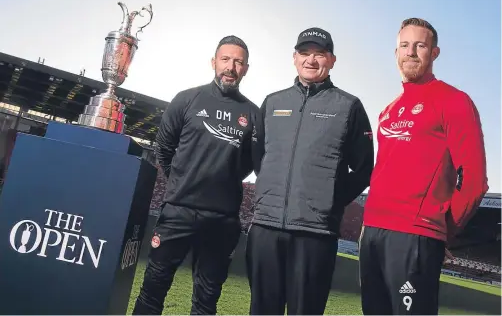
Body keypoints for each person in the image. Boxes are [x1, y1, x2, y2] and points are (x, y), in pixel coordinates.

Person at [359, 18, 489, 315]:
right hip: (372, 233)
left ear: (434, 53)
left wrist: (443, 229)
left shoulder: (454, 101)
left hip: (416, 236)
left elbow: (474, 181)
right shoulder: (388, 111)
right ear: (396, 53)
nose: (411, 52)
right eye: (404, 45)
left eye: (420, 45)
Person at [246, 27, 375, 315]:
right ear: (294, 58)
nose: (311, 60)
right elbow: (259, 157)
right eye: (305, 53)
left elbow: (365, 168)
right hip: (265, 228)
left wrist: (329, 200)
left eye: (319, 54)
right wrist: (269, 187)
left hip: (315, 234)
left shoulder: (348, 106)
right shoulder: (273, 102)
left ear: (332, 60)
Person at [132, 35, 261, 315]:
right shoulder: (187, 99)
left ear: (246, 69)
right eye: (225, 59)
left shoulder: (253, 114)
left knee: (206, 301)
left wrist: (221, 177)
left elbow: (249, 165)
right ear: (213, 62)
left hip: (221, 220)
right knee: (153, 288)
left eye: (238, 62)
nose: (231, 67)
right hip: (178, 212)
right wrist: (182, 179)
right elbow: (164, 149)